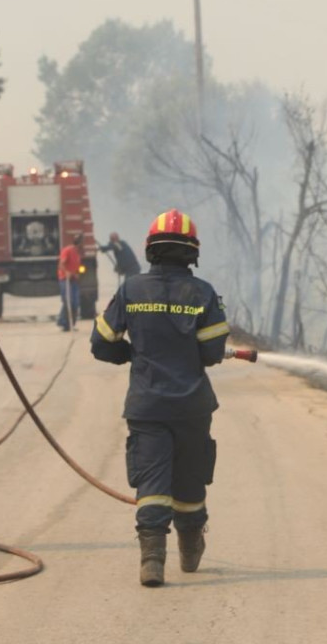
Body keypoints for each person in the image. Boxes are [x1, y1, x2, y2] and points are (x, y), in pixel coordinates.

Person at [91, 209, 230, 587]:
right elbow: (213, 352)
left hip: (147, 404)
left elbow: (101, 345)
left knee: (152, 480)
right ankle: (189, 548)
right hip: (192, 406)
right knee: (189, 481)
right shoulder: (201, 293)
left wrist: (131, 354)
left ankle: (152, 561)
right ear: (191, 253)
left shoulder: (131, 290)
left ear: (150, 249)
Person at [57, 233, 84, 331]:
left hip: (74, 280)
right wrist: (67, 272)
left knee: (76, 302)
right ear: (79, 243)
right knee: (68, 301)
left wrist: (77, 273)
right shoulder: (68, 250)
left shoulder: (78, 253)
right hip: (65, 279)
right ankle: (63, 322)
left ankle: (71, 324)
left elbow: (77, 267)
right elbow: (61, 264)